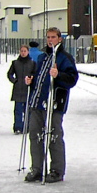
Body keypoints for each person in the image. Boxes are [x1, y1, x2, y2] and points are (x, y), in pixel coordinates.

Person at [24, 27, 78, 183]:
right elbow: (38, 76)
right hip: (37, 102)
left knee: (54, 136)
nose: (50, 40)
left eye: (53, 37)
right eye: (48, 37)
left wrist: (59, 75)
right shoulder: (42, 57)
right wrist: (31, 80)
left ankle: (56, 170)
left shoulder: (64, 58)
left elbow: (72, 79)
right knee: (35, 135)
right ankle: (37, 168)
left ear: (59, 39)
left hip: (54, 103)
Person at [6, 45, 36, 133]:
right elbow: (9, 74)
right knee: (18, 110)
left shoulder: (32, 63)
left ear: (28, 52)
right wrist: (15, 81)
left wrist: (31, 80)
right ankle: (18, 127)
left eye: (25, 51)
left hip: (28, 89)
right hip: (18, 89)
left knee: (28, 110)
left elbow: (35, 74)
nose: (23, 53)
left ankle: (27, 127)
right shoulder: (15, 63)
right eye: (22, 51)